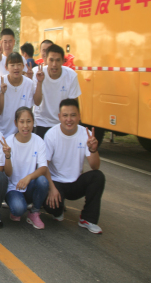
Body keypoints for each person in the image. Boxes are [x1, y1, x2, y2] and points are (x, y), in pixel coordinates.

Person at [44, 99, 105, 234]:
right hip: (56, 182)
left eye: (73, 115)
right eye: (65, 115)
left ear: (79, 116)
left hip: (75, 182)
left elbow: (95, 166)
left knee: (98, 176)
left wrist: (93, 150)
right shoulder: (51, 135)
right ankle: (59, 209)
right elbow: (44, 167)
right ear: (59, 117)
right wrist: (51, 188)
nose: (69, 119)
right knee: (53, 209)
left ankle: (87, 219)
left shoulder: (85, 134)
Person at [3, 107, 49, 230]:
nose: (25, 126)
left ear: (33, 122)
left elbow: (43, 168)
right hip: (13, 188)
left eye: (28, 121)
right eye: (22, 122)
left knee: (43, 181)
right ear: (15, 123)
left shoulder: (38, 141)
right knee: (18, 210)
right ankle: (17, 207)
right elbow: (8, 173)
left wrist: (28, 177)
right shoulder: (9, 142)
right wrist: (7, 156)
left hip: (29, 185)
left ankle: (34, 212)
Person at [33, 45, 81, 138]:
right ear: (45, 60)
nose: (54, 64)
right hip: (41, 122)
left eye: (58, 60)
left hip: (62, 123)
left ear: (63, 61)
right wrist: (40, 82)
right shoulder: (37, 73)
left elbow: (73, 104)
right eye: (51, 60)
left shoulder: (71, 75)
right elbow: (37, 102)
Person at [0, 53, 43, 138]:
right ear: (6, 67)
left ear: (23, 66)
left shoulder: (29, 83)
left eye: (19, 64)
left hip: (20, 133)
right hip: (1, 131)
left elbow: (37, 103)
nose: (16, 68)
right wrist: (2, 93)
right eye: (12, 65)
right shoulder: (0, 82)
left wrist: (39, 82)